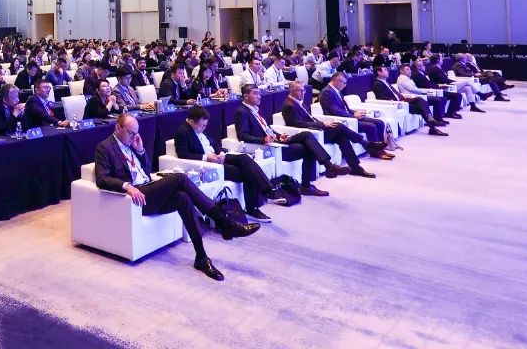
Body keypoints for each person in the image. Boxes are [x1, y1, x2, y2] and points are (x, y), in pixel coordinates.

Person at [95, 114, 260, 281]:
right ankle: (224, 222)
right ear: (118, 127)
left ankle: (201, 257)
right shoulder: (105, 147)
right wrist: (127, 186)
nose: (133, 137)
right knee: (180, 178)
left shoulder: (132, 144)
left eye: (136, 133)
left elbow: (145, 171)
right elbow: (102, 179)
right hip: (136, 198)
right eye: (131, 133)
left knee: (183, 198)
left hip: (149, 189)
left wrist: (140, 151)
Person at [175, 105, 285, 223]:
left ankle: (269, 190)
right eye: (201, 126)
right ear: (191, 121)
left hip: (217, 157)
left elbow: (213, 143)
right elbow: (182, 154)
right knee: (247, 172)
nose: (203, 128)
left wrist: (220, 152)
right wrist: (206, 157)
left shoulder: (200, 126)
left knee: (244, 158)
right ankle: (253, 207)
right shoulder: (182, 132)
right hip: (209, 165)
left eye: (205, 125)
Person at [235, 84, 346, 196]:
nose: (259, 96)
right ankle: (316, 177)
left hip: (276, 141)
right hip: (269, 148)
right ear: (246, 96)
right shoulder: (242, 112)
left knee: (307, 136)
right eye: (255, 93)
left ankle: (324, 171)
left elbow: (267, 129)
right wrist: (263, 140)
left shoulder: (254, 110)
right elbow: (242, 136)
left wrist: (279, 135)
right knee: (309, 146)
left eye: (259, 93)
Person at [282, 79, 387, 170]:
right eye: (300, 90)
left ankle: (355, 167)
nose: (303, 93)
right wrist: (322, 124)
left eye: (304, 90)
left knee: (341, 136)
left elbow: (310, 118)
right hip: (312, 135)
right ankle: (366, 144)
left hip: (316, 130)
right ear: (291, 91)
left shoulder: (298, 102)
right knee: (339, 126)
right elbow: (299, 124)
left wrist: (321, 123)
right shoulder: (289, 105)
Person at [320, 72, 407, 140]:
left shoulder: (336, 90)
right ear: (337, 80)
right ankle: (375, 151)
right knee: (371, 126)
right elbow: (335, 111)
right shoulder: (327, 92)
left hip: (348, 116)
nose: (345, 85)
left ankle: (381, 146)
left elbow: (344, 108)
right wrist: (353, 116)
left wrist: (355, 112)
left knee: (379, 122)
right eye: (344, 83)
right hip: (343, 120)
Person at [385, 64, 450, 130]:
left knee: (442, 98)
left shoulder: (407, 78)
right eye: (407, 70)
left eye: (409, 69)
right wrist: (424, 92)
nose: (409, 71)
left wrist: (423, 92)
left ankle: (437, 118)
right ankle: (437, 119)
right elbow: (412, 89)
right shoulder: (402, 78)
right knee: (438, 100)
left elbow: (415, 88)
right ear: (401, 71)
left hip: (417, 96)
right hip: (412, 97)